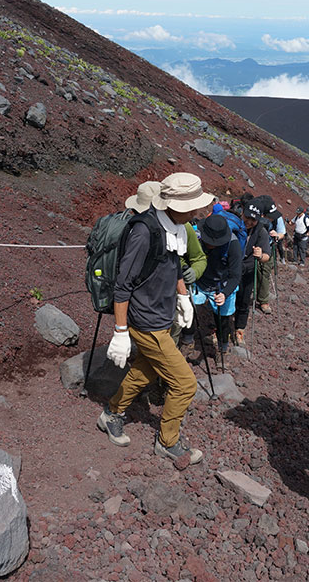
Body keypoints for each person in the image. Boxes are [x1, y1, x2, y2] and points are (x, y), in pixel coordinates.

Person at [98, 172, 214, 465]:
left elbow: (174, 265)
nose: (197, 211)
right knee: (185, 383)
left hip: (161, 316)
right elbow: (123, 284)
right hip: (145, 322)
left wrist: (183, 296)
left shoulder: (176, 226)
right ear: (173, 204)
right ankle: (168, 442)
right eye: (193, 205)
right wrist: (121, 331)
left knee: (145, 372)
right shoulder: (144, 231)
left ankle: (111, 413)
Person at [126, 181, 208, 347]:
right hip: (141, 300)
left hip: (171, 296)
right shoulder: (136, 227)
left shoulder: (184, 228)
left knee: (169, 340)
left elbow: (199, 258)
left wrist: (194, 272)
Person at [192, 214, 242, 354]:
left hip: (222, 285)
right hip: (200, 281)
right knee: (188, 312)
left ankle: (222, 348)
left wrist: (224, 294)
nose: (210, 245)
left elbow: (235, 275)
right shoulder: (196, 237)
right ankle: (188, 340)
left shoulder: (233, 245)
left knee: (223, 319)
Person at [233, 201, 271, 345]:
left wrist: (260, 255)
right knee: (227, 299)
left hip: (247, 270)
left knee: (243, 301)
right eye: (247, 217)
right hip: (231, 268)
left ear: (259, 218)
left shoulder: (261, 232)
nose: (248, 221)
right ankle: (220, 330)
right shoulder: (234, 225)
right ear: (242, 212)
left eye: (253, 219)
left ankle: (239, 329)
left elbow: (267, 256)